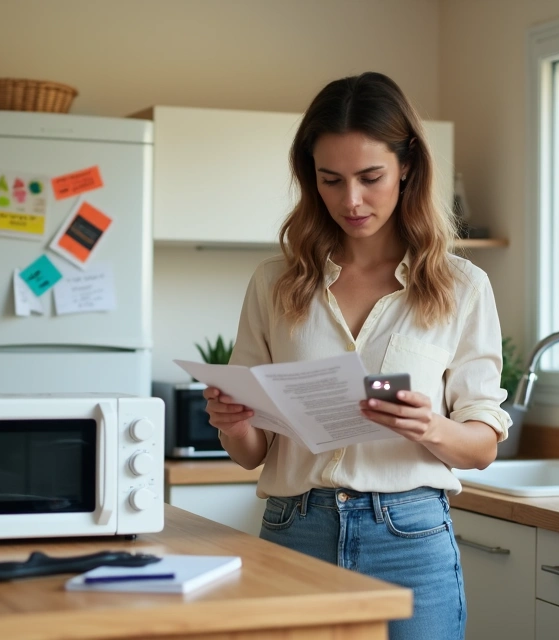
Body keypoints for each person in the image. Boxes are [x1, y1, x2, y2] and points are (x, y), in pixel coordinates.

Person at [202, 71, 510, 640]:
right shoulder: (275, 283)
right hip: (296, 530)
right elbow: (250, 455)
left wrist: (429, 426)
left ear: (407, 167)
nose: (351, 200)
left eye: (371, 177)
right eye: (330, 180)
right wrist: (233, 421)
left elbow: (482, 446)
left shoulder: (461, 286)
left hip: (410, 540)